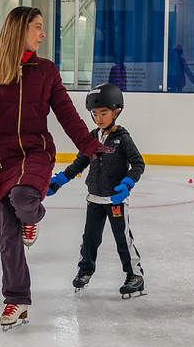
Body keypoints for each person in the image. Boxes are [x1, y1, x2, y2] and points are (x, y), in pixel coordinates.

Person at [0, 6, 112, 329]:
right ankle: (16, 301)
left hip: (35, 151)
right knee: (7, 236)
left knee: (25, 198)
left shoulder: (47, 71)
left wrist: (89, 144)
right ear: (19, 30)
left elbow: (67, 114)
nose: (43, 34)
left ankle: (32, 218)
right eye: (38, 27)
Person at [46, 83, 146, 297]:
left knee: (122, 239)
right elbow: (80, 162)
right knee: (90, 238)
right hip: (94, 198)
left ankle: (134, 275)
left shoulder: (123, 139)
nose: (99, 118)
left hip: (116, 199)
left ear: (116, 112)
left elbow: (138, 164)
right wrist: (59, 180)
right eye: (95, 113)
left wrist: (127, 184)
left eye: (104, 113)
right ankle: (85, 270)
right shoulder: (91, 137)